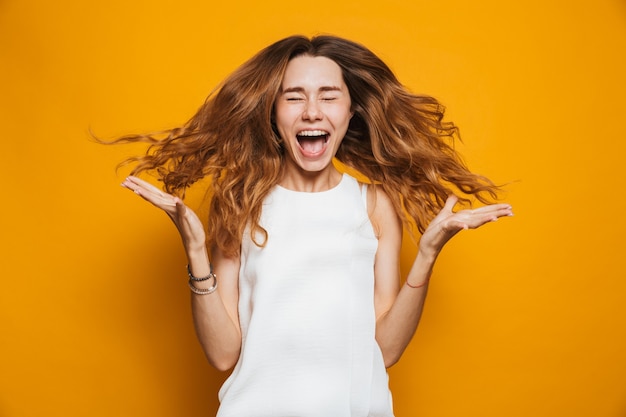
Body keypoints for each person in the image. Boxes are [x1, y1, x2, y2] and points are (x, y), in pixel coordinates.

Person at [115, 35, 512, 417]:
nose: (312, 111)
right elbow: (222, 354)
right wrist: (197, 252)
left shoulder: (373, 205)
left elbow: (385, 350)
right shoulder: (241, 202)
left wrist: (427, 254)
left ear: (351, 111)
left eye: (328, 95)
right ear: (273, 111)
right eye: (294, 97)